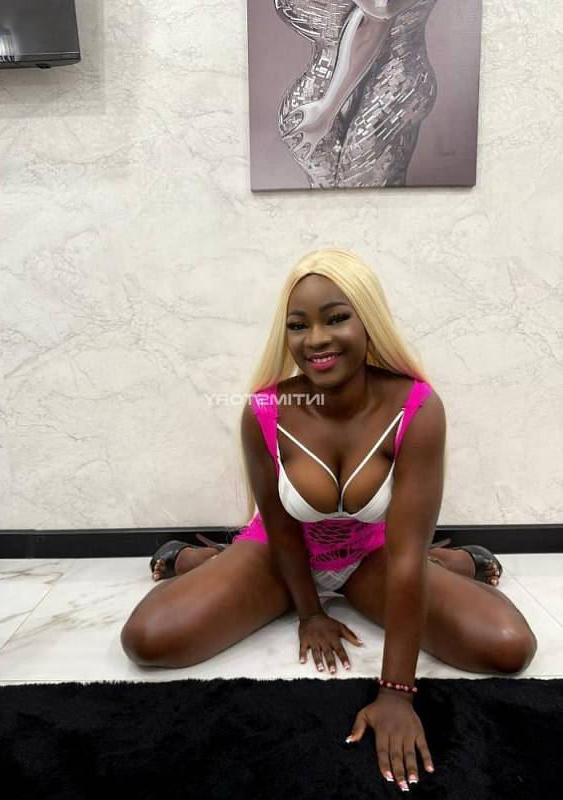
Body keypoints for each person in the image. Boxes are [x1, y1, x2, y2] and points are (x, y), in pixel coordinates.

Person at [121, 248, 537, 791]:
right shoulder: (265, 410)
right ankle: (201, 559)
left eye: (336, 317)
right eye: (298, 325)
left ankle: (453, 561)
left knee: (507, 647)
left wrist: (395, 693)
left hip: (372, 556)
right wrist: (310, 613)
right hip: (278, 553)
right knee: (148, 641)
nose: (315, 339)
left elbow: (404, 557)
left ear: (368, 320)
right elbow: (280, 525)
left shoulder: (418, 407)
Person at [274, 0, 438, 187]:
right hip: (327, 76)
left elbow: (378, 12)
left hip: (394, 79)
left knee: (361, 172)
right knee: (315, 162)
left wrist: (327, 109)